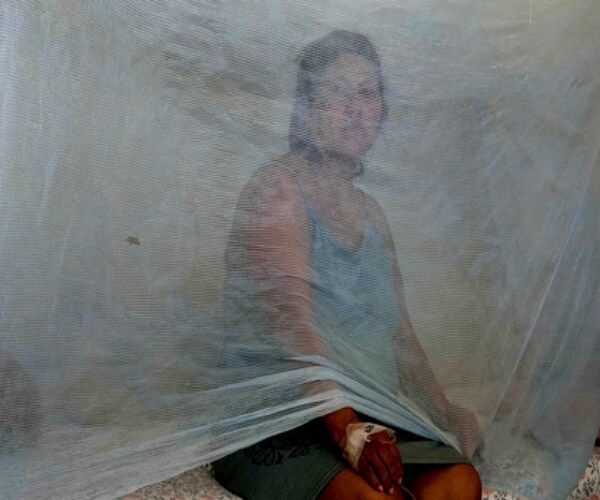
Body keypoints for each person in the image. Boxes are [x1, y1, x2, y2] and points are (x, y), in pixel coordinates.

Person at [214, 30, 482, 499]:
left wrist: (444, 412)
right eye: (337, 92)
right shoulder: (279, 189)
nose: (355, 107)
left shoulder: (372, 213)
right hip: (283, 421)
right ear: (307, 108)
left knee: (460, 483)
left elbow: (399, 334)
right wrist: (347, 430)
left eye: (367, 92)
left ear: (381, 111)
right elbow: (290, 324)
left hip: (367, 415)